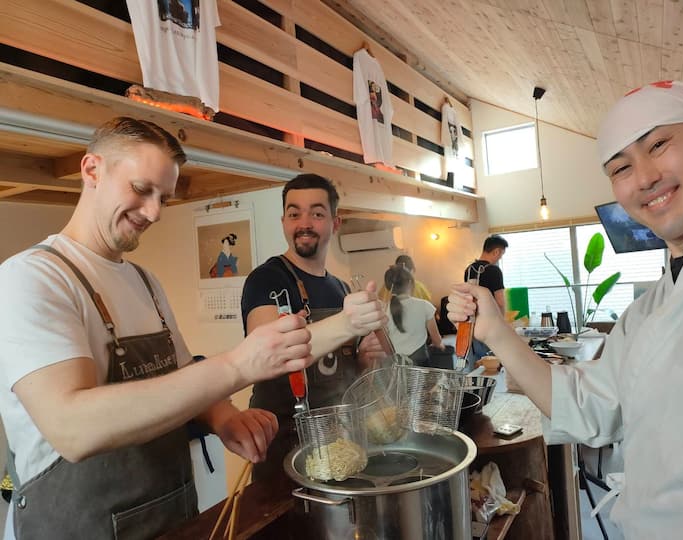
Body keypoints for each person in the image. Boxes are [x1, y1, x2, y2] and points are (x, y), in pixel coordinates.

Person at [0, 117, 315, 540]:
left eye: (163, 198)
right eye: (141, 189)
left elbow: (180, 373)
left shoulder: (145, 282)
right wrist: (238, 365)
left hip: (171, 518)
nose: (154, 212)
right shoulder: (33, 277)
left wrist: (223, 416)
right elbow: (72, 429)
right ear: (91, 170)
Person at [447, 81, 683, 538]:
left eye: (659, 144)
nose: (645, 177)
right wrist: (495, 331)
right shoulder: (648, 311)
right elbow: (589, 408)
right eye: (621, 167)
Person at [241, 173, 387, 482]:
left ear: (335, 223)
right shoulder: (267, 279)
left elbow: (346, 372)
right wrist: (347, 323)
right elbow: (269, 355)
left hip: (340, 443)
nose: (304, 223)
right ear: (283, 222)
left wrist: (362, 360)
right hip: (285, 446)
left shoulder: (342, 288)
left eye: (317, 214)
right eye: (294, 214)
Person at [383, 264, 444, 365]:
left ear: (388, 287)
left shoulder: (384, 310)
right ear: (410, 282)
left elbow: (385, 346)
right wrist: (441, 345)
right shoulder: (424, 306)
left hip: (396, 364)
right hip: (420, 362)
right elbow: (437, 341)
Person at [462, 234, 508, 361]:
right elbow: (500, 301)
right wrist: (503, 323)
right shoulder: (494, 270)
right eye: (501, 255)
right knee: (492, 361)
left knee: (478, 361)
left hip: (472, 323)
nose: (499, 258)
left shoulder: (469, 270)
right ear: (496, 251)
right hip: (490, 323)